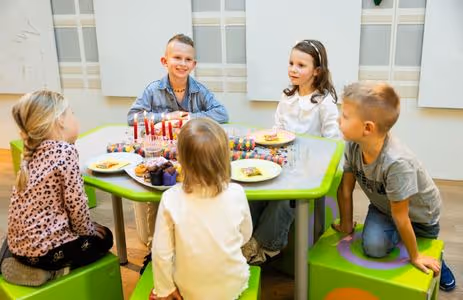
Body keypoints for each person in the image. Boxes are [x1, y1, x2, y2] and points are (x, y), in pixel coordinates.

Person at [333, 81, 456, 292]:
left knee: (414, 245)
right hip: (385, 208)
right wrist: (346, 225)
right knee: (373, 247)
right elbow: (345, 189)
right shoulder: (353, 145)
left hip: (420, 217)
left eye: (345, 116)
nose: (338, 119)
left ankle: (435, 258)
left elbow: (402, 216)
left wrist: (415, 256)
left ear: (368, 128)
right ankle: (401, 238)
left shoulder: (397, 162)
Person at [243, 39, 341, 264]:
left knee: (283, 198)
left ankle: (265, 245)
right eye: (291, 63)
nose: (293, 69)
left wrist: (312, 163)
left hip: (309, 167)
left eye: (301, 65)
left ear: (317, 71)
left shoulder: (324, 103)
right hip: (282, 160)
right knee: (254, 186)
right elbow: (277, 130)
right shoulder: (287, 97)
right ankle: (245, 239)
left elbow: (333, 142)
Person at [1, 90, 113, 287]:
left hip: (20, 248)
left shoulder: (32, 150)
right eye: (72, 113)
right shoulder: (64, 152)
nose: (75, 118)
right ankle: (54, 272)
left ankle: (10, 259)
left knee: (16, 240)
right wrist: (88, 230)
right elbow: (77, 206)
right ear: (59, 120)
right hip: (47, 253)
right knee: (105, 238)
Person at [149, 118, 252, 300]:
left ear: (181, 159)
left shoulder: (170, 198)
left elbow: (161, 253)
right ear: (224, 157)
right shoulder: (237, 192)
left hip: (188, 290)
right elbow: (245, 235)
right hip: (232, 286)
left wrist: (164, 289)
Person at [127, 33, 229, 126]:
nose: (183, 64)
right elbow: (132, 117)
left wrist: (190, 117)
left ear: (193, 65)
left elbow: (222, 114)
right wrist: (168, 117)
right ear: (164, 61)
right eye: (177, 57)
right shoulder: (152, 90)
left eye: (188, 59)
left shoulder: (200, 90)